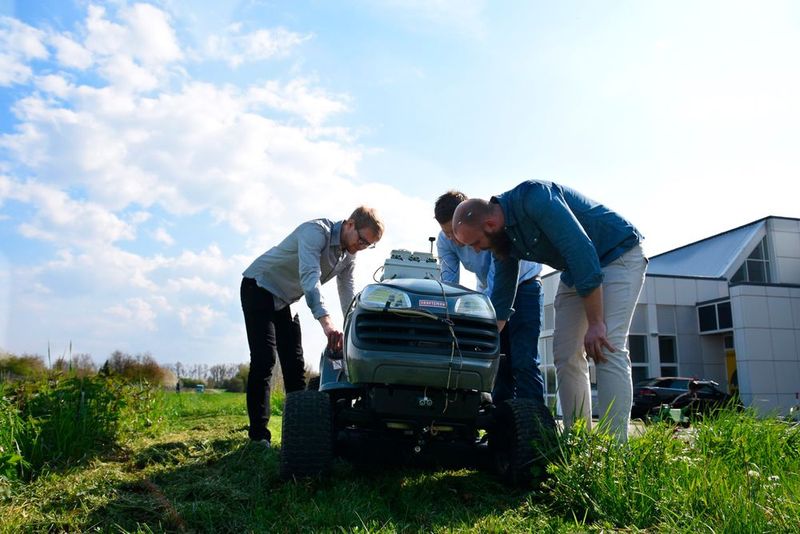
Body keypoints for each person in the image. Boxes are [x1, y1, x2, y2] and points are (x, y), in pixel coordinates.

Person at [452, 180, 646, 441]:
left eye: (475, 243)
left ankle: (615, 450)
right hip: (575, 270)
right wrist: (486, 345)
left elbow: (582, 252)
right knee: (566, 353)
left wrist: (596, 322)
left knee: (606, 345)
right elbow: (502, 295)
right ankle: (578, 440)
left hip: (616, 255)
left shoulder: (535, 198)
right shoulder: (502, 238)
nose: (475, 250)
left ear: (489, 225)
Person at [241, 206, 384, 446]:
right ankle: (258, 436)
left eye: (367, 245)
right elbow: (310, 278)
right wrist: (326, 324)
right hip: (260, 285)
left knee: (295, 367)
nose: (361, 247)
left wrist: (353, 326)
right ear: (349, 224)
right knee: (265, 359)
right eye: (361, 239)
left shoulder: (348, 255)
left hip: (286, 299)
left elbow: (346, 290)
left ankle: (300, 434)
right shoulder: (316, 232)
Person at [434, 190, 545, 405]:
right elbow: (449, 283)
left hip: (525, 285)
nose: (452, 238)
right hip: (489, 290)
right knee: (498, 360)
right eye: (446, 232)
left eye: (453, 231)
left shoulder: (488, 230)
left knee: (523, 359)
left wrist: (490, 323)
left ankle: (534, 425)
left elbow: (500, 278)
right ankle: (501, 427)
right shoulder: (445, 241)